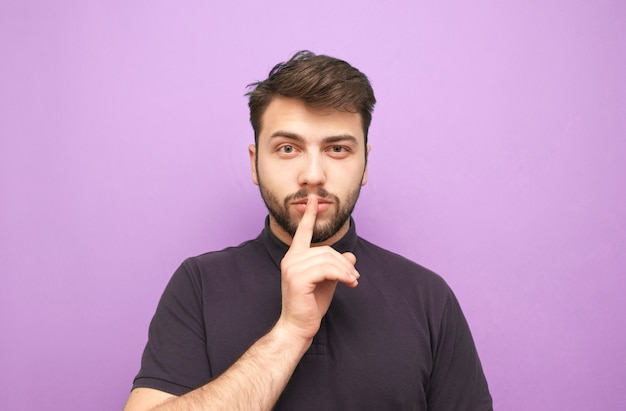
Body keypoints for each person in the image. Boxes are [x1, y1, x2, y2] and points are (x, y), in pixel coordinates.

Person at [123, 50, 492, 411]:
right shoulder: (199, 284)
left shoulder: (428, 297)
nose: (313, 175)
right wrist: (290, 334)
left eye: (337, 149)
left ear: (365, 164)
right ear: (255, 163)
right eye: (287, 148)